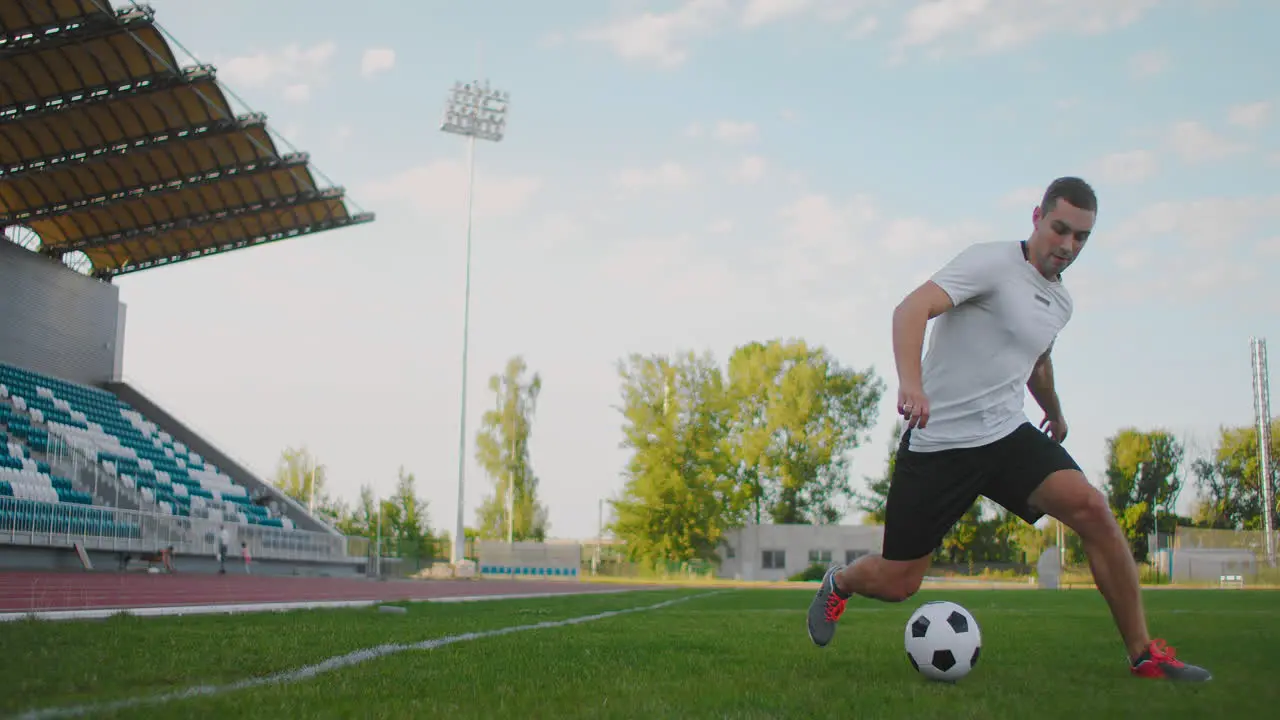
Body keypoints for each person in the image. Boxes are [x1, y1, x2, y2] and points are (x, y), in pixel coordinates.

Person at [805, 176, 1211, 682]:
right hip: (940, 441)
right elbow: (911, 309)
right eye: (1061, 229)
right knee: (898, 582)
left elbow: (1037, 363)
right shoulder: (991, 262)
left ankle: (1144, 655)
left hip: (1005, 435)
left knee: (1092, 508)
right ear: (1037, 216)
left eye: (1081, 237)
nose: (1068, 246)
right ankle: (839, 583)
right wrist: (913, 384)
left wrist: (1055, 412)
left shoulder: (1061, 303)